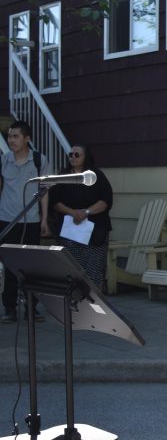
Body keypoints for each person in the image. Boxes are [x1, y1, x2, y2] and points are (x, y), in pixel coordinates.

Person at [0, 120, 49, 324]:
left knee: (31, 266)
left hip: (31, 221)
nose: (11, 140)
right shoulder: (3, 160)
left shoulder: (39, 160)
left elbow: (44, 191)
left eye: (15, 136)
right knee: (10, 265)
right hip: (6, 220)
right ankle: (9, 308)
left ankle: (32, 308)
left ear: (27, 138)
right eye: (9, 136)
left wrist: (45, 219)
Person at [49, 144, 113, 291]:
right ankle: (75, 303)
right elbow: (55, 202)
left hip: (95, 231)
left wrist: (86, 212)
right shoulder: (63, 176)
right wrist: (73, 212)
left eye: (77, 155)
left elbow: (106, 201)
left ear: (86, 157)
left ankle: (95, 303)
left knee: (94, 269)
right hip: (69, 231)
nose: (73, 157)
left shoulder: (96, 176)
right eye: (71, 154)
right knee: (71, 269)